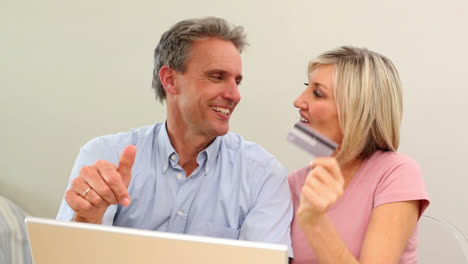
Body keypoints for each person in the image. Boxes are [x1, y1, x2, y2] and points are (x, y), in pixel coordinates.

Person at [56, 17, 293, 256]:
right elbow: (64, 258)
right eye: (217, 76)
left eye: (237, 81)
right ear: (170, 80)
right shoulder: (103, 157)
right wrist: (87, 220)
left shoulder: (264, 177)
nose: (235, 95)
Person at [288, 46, 429, 263]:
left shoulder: (398, 173)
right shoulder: (294, 183)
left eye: (317, 93)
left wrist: (315, 220)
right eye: (307, 87)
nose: (298, 101)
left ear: (356, 110)